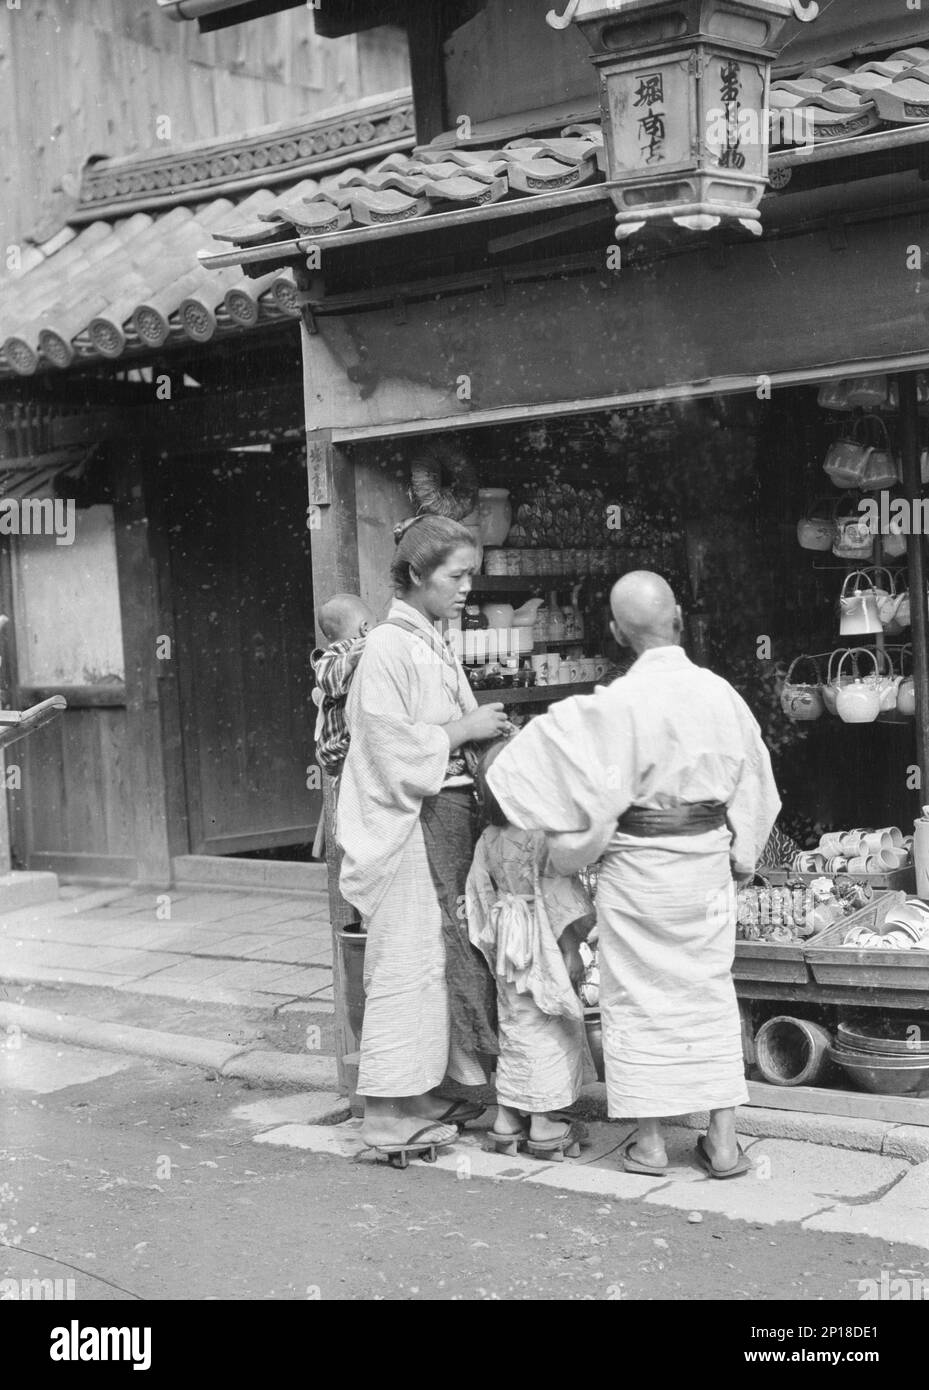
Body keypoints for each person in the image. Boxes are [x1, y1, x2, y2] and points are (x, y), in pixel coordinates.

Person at [487, 571, 780, 1179]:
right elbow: (758, 786)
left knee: (637, 998)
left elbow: (511, 774)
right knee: (708, 993)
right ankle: (722, 1142)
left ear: (618, 632)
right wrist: (742, 857)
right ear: (677, 616)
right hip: (702, 868)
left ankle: (649, 1144)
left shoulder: (611, 705)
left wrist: (585, 830)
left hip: (635, 871)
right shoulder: (720, 694)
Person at [337, 514, 511, 1165]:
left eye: (470, 574)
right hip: (406, 820)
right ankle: (382, 1113)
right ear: (415, 575)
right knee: (404, 965)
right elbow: (385, 743)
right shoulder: (388, 645)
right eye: (456, 575)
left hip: (436, 814)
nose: (466, 587)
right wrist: (462, 729)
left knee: (432, 963)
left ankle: (414, 1096)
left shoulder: (426, 639)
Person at [466, 742, 597, 1160]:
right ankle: (543, 1123)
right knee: (549, 1025)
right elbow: (559, 897)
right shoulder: (542, 839)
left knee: (515, 1025)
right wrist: (573, 947)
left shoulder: (488, 837)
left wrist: (495, 936)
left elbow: (478, 894)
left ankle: (507, 1118)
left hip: (508, 944)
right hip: (541, 942)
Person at [310, 594, 376, 780]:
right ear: (365, 628)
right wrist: (347, 663)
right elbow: (324, 676)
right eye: (376, 624)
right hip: (339, 746)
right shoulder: (341, 651)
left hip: (351, 745)